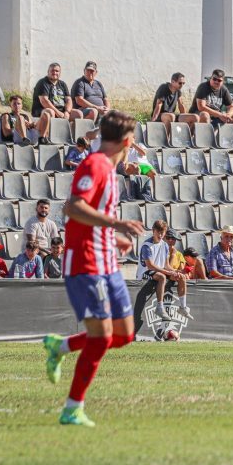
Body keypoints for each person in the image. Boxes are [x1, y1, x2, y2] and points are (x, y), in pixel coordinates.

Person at [41, 110, 146, 426]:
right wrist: (116, 224)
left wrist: (114, 238)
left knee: (125, 335)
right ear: (127, 141)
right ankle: (72, 408)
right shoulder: (95, 164)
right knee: (100, 338)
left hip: (107, 260)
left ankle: (60, 346)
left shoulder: (109, 170)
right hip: (86, 262)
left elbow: (90, 217)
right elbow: (73, 207)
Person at [31, 62, 84, 138]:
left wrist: (67, 112)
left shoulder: (62, 84)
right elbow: (44, 101)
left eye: (57, 71)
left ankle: (72, 138)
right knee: (50, 112)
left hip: (61, 111)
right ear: (48, 72)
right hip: (43, 110)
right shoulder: (42, 82)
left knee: (78, 114)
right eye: (52, 70)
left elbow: (69, 100)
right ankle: (47, 138)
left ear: (60, 73)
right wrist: (58, 112)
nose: (54, 72)